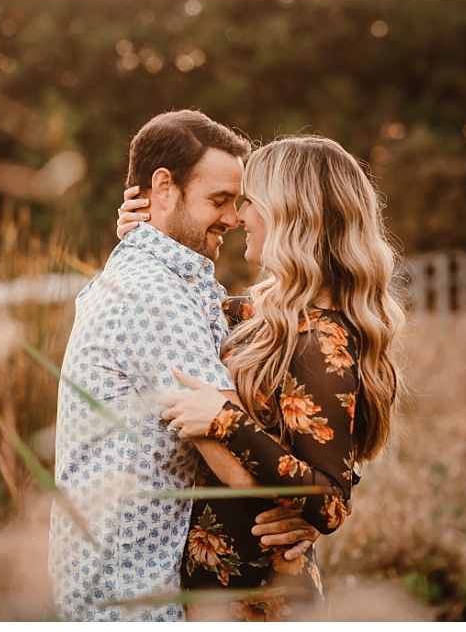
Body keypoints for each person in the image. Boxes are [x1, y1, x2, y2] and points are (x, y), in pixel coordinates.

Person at [114, 134, 407, 620]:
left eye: (250, 201)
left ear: (292, 214)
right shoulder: (270, 316)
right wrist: (145, 240)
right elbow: (185, 309)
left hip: (264, 603)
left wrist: (226, 420)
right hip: (221, 592)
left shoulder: (321, 341)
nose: (237, 216)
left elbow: (331, 502)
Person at [47, 110, 318, 622]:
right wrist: (308, 509)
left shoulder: (166, 282)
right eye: (219, 201)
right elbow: (239, 467)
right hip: (134, 597)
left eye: (238, 203)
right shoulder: (155, 296)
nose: (234, 218)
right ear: (163, 188)